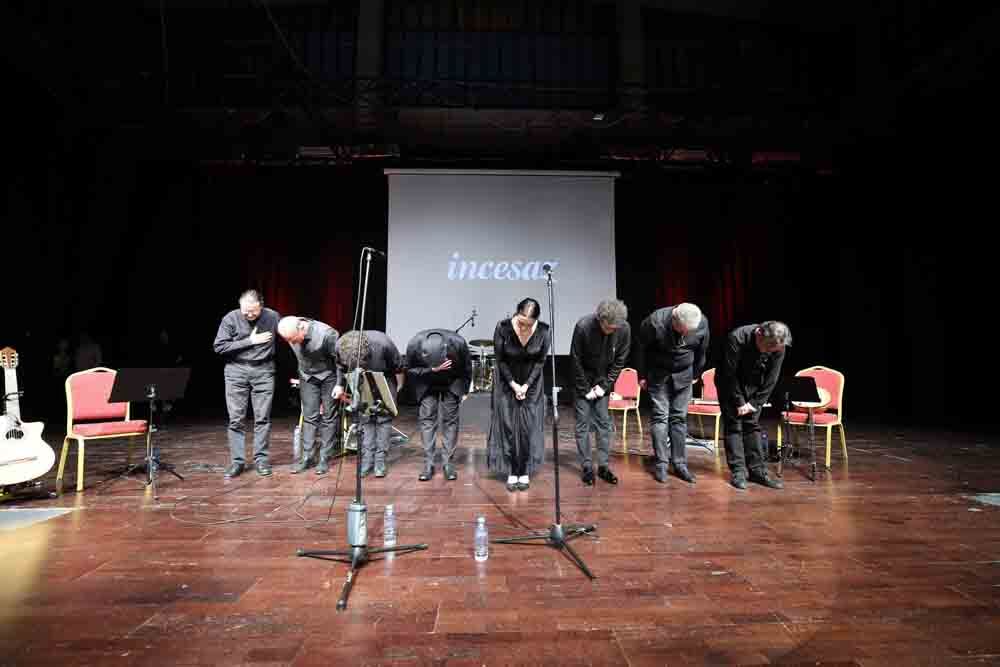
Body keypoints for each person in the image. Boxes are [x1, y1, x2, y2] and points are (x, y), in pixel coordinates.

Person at [636, 303, 710, 484]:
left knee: (679, 418)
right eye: (682, 331)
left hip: (685, 375)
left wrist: (696, 374)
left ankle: (679, 463)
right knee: (661, 417)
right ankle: (661, 463)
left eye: (688, 332)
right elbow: (639, 348)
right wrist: (642, 375)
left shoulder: (701, 323)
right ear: (674, 320)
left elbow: (702, 350)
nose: (685, 335)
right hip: (658, 373)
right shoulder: (655, 322)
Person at [212, 290, 280, 478]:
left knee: (262, 417)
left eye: (254, 311)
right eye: (246, 311)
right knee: (236, 419)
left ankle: (261, 459)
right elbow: (220, 346)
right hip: (236, 370)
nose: (249, 315)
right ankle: (237, 462)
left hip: (264, 370)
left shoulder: (273, 317)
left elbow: (290, 335)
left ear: (261, 306)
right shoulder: (231, 318)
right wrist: (250, 341)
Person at [717, 320, 791, 490]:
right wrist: (739, 402)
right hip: (729, 384)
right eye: (765, 348)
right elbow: (730, 374)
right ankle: (738, 471)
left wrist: (754, 403)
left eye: (771, 351)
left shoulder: (779, 344)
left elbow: (772, 378)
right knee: (734, 426)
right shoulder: (737, 338)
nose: (767, 352)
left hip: (754, 386)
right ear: (759, 334)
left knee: (752, 425)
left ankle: (757, 471)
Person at [486, 298, 551, 492]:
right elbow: (501, 360)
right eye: (521, 322)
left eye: (528, 324)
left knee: (527, 428)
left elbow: (540, 362)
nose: (524, 327)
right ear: (516, 313)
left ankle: (524, 470)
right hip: (507, 384)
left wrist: (526, 385)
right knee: (508, 427)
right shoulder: (503, 328)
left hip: (532, 386)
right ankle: (512, 471)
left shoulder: (544, 331)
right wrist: (514, 385)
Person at [570, 299, 631, 486]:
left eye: (615, 328)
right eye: (609, 327)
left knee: (604, 424)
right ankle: (587, 467)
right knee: (582, 424)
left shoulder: (624, 328)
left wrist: (604, 387)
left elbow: (619, 361)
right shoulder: (583, 327)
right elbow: (575, 360)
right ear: (600, 319)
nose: (612, 331)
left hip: (602, 381)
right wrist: (585, 389)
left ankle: (603, 466)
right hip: (583, 381)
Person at [334, 330, 404, 478]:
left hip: (384, 378)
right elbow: (340, 366)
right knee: (365, 419)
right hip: (359, 380)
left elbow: (398, 366)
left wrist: (397, 388)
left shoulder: (383, 343)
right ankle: (367, 460)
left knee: (383, 420)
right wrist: (339, 385)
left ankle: (380, 461)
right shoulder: (340, 345)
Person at [278, 316, 343, 475]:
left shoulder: (327, 334)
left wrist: (339, 384)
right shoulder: (291, 333)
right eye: (289, 340)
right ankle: (308, 457)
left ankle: (324, 458)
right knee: (309, 416)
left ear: (301, 328)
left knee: (329, 416)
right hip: (307, 376)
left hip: (328, 376)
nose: (292, 343)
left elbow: (340, 361)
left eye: (293, 339)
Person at [405, 329, 472, 481]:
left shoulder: (458, 343)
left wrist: (464, 390)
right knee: (427, 420)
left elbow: (467, 368)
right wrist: (432, 370)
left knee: (450, 421)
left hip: (452, 381)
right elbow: (409, 370)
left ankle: (448, 463)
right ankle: (429, 463)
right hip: (427, 381)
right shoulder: (415, 344)